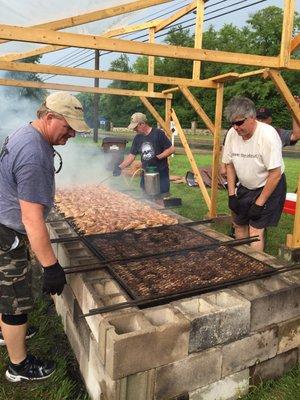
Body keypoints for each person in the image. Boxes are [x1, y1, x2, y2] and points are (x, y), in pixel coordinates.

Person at [0, 91, 90, 382]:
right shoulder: (34, 153)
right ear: (49, 117)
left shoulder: (26, 133)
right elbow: (31, 218)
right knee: (15, 299)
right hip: (6, 233)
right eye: (69, 127)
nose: (73, 133)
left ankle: (5, 333)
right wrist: (51, 267)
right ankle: (18, 366)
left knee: (3, 291)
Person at [222, 96, 286, 251]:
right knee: (238, 224)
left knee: (255, 229)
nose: (236, 128)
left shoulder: (268, 136)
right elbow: (229, 165)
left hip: (269, 185)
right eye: (232, 123)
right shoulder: (232, 134)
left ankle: (255, 266)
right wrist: (232, 195)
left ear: (252, 117)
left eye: (239, 123)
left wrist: (259, 203)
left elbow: (275, 174)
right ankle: (241, 260)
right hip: (246, 184)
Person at [117, 112, 175, 196]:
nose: (134, 130)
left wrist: (158, 157)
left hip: (160, 174)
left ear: (142, 124)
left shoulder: (158, 134)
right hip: (145, 173)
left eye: (135, 127)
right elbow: (132, 155)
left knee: (160, 200)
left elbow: (171, 149)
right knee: (145, 199)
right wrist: (120, 167)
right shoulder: (138, 138)